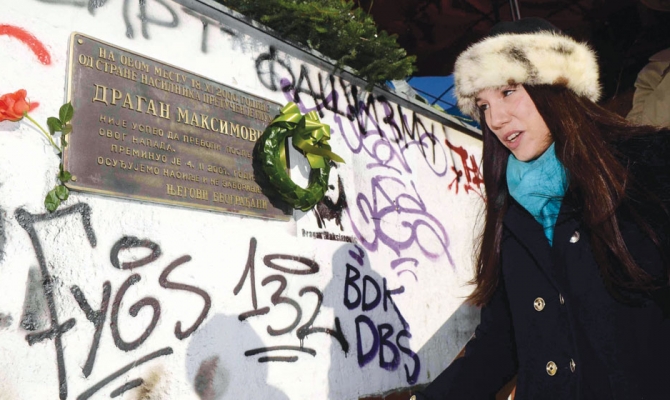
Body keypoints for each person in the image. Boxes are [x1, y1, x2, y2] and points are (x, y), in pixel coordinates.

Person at [410, 17, 670, 400]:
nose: (496, 119)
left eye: (508, 91)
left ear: (555, 87)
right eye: (483, 105)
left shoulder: (648, 166)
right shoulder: (509, 207)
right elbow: (499, 345)